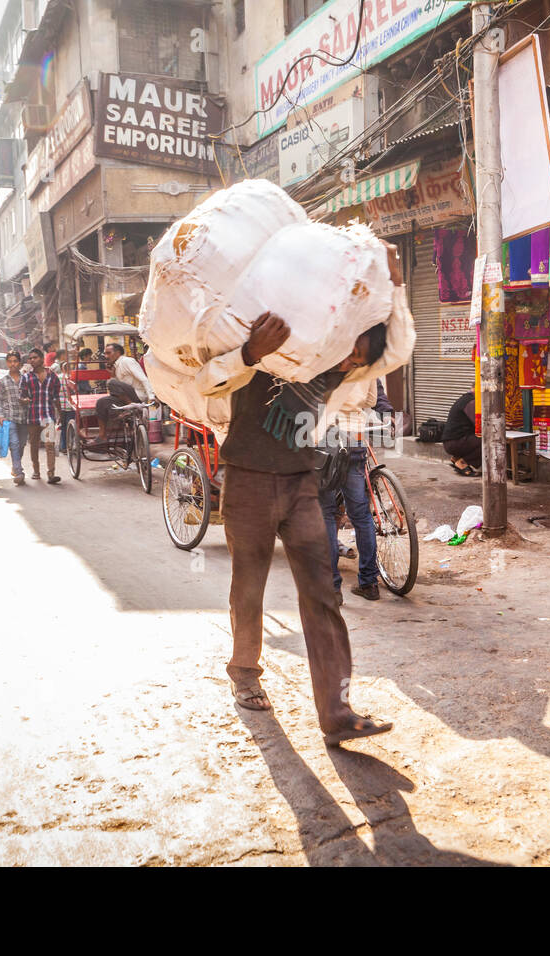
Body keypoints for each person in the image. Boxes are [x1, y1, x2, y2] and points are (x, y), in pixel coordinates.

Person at [196, 243, 413, 746]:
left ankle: (335, 712)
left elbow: (399, 347)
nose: (356, 356)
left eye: (365, 348)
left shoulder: (350, 368)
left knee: (321, 592)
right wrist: (250, 352)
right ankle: (244, 670)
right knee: (248, 582)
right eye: (356, 344)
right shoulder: (284, 342)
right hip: (247, 476)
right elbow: (208, 382)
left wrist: (397, 285)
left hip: (301, 484)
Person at [320, 380, 389, 604]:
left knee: (327, 514)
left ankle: (332, 589)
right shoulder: (365, 356)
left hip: (326, 435)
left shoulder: (321, 351)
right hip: (356, 435)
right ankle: (369, 583)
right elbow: (371, 399)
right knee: (361, 514)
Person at [96, 342, 155, 443]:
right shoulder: (115, 366)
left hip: (137, 395)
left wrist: (152, 396)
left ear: (118, 353)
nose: (106, 356)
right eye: (105, 354)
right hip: (126, 397)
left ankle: (129, 406)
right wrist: (113, 374)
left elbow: (143, 379)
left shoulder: (127, 361)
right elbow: (116, 387)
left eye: (108, 353)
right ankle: (102, 435)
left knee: (111, 383)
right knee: (101, 402)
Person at [22, 347, 62, 484]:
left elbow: (56, 397)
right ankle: (36, 471)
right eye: (30, 358)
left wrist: (60, 414)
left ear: (41, 359)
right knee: (34, 445)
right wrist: (24, 400)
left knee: (50, 445)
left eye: (35, 358)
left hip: (48, 416)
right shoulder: (26, 377)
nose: (32, 360)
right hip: (32, 416)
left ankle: (51, 474)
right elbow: (22, 396)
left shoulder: (53, 376)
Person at [0, 350, 29, 486]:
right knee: (14, 444)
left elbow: (31, 395)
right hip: (10, 417)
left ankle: (15, 466)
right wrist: (1, 416)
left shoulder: (25, 379)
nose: (13, 364)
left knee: (21, 444)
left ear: (19, 363)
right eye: (10, 361)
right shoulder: (2, 381)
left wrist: (27, 400)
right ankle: (19, 472)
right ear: (7, 363)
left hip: (24, 417)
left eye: (15, 361)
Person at [441, 390, 480, 476]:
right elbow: (479, 425)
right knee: (489, 441)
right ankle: (463, 462)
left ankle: (457, 458)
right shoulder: (471, 402)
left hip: (452, 441)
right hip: (455, 442)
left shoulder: (465, 398)